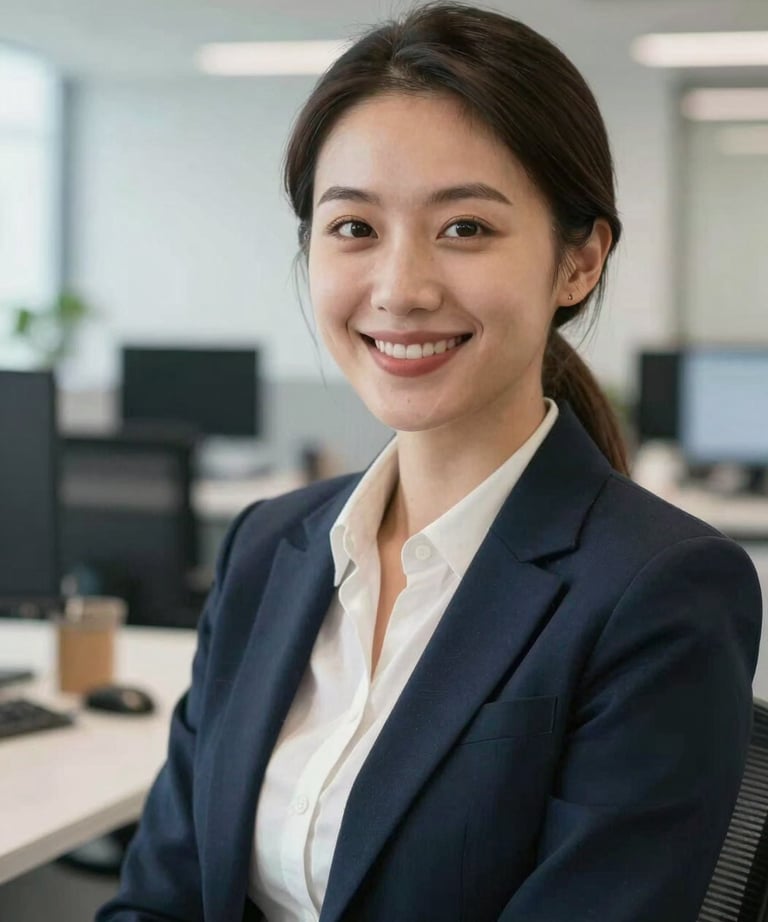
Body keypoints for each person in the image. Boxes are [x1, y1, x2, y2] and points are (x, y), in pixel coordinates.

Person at [96, 4, 762, 921]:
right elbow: (161, 898)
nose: (400, 289)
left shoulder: (661, 591)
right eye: (354, 229)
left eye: (465, 229)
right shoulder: (268, 549)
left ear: (579, 262)